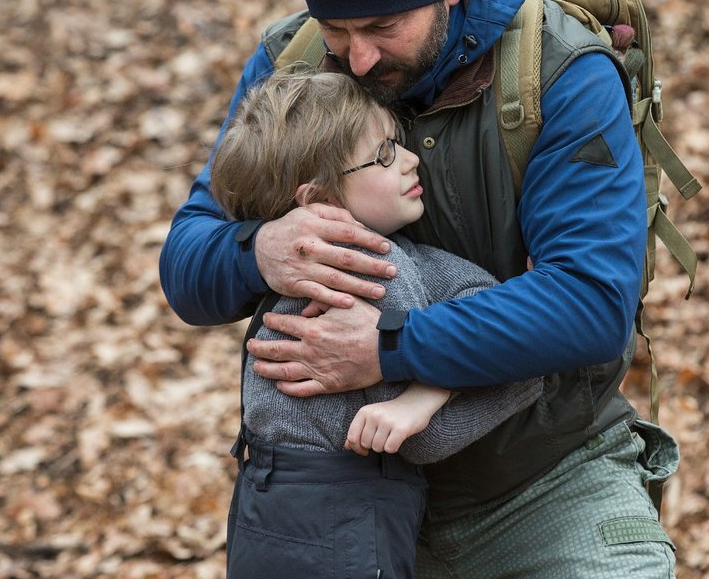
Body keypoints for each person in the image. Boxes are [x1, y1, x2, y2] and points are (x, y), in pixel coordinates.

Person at [160, 0, 680, 578]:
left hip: (547, 474)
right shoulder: (292, 63)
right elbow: (185, 262)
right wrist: (259, 248)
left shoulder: (560, 71)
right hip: (351, 501)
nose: (361, 58)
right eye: (338, 29)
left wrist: (387, 347)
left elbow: (591, 304)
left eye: (383, 25)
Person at [211, 68, 542, 579]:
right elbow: (422, 439)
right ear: (319, 203)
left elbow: (470, 292)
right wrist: (525, 373)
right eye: (385, 153)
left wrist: (428, 389)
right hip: (337, 536)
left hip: (263, 514)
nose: (411, 159)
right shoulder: (367, 272)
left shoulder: (366, 260)